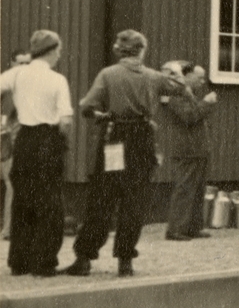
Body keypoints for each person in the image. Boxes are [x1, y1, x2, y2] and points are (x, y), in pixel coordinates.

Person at [61, 30, 183, 278]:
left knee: (102, 198)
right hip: (143, 139)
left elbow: (87, 106)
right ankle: (125, 261)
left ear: (119, 50)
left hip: (115, 138)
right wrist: (174, 72)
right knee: (134, 199)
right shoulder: (154, 76)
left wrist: (101, 116)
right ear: (142, 50)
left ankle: (84, 258)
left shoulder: (108, 74)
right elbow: (182, 89)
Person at [0, 34, 71, 277]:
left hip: (25, 140)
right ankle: (43, 262)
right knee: (50, 201)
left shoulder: (17, 74)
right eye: (59, 49)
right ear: (51, 51)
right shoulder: (57, 79)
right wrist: (61, 138)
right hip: (48, 139)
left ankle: (19, 262)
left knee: (22, 199)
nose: (60, 54)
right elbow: (65, 120)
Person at [160, 62, 217, 240]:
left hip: (197, 149)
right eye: (199, 77)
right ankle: (175, 229)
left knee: (198, 189)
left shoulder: (189, 94)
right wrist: (206, 103)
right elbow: (189, 117)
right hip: (186, 150)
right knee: (184, 189)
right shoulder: (176, 94)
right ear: (187, 76)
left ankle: (193, 227)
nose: (202, 81)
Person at [2, 50, 33, 240]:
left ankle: (15, 229)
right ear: (11, 64)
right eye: (19, 63)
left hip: (25, 142)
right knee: (11, 184)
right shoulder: (7, 87)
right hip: (8, 141)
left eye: (27, 64)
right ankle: (8, 229)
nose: (23, 68)